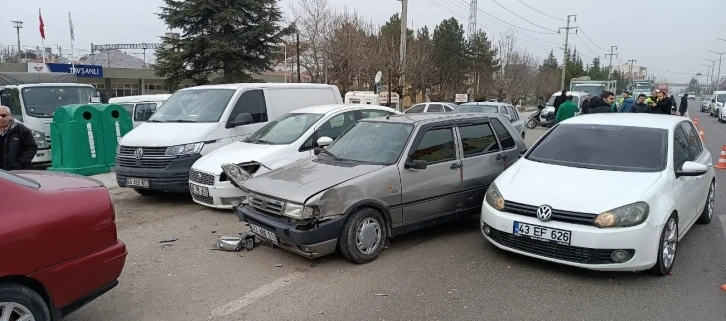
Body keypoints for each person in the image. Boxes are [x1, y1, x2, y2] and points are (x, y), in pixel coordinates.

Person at [0, 105, 38, 171]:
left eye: (3, 115)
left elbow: (32, 147)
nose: (0, 118)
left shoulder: (22, 130)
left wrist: (20, 164)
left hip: (19, 172)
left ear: (10, 116)